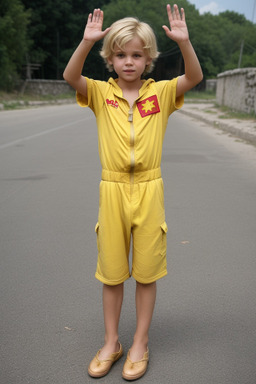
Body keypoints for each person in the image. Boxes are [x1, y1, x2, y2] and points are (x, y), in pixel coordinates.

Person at [63, 3, 203, 381]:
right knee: (111, 274)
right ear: (110, 58)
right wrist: (86, 42)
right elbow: (70, 74)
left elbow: (194, 75)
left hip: (148, 190)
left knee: (146, 273)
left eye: (137, 55)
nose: (129, 62)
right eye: (121, 55)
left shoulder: (161, 94)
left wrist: (185, 42)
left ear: (148, 60)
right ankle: (112, 342)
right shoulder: (97, 93)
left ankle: (139, 341)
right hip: (111, 191)